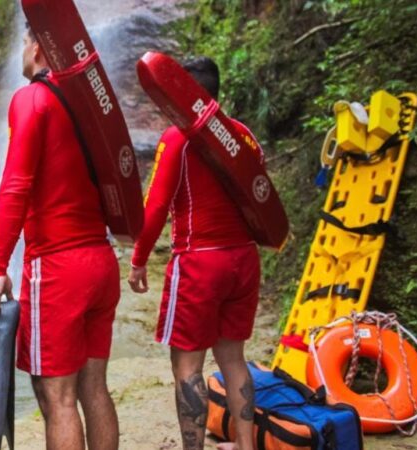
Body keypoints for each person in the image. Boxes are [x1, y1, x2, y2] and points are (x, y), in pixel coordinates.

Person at [0, 24, 120, 450]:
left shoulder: (31, 99)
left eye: (25, 43)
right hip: (101, 261)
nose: (21, 52)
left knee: (57, 398)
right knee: (93, 387)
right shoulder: (87, 107)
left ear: (41, 49)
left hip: (58, 268)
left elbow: (15, 184)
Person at [128, 57, 262, 450]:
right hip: (243, 261)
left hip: (198, 263)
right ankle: (246, 446)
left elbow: (154, 205)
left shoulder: (179, 138)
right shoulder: (244, 135)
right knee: (233, 359)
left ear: (190, 94)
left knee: (187, 367)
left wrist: (138, 259)